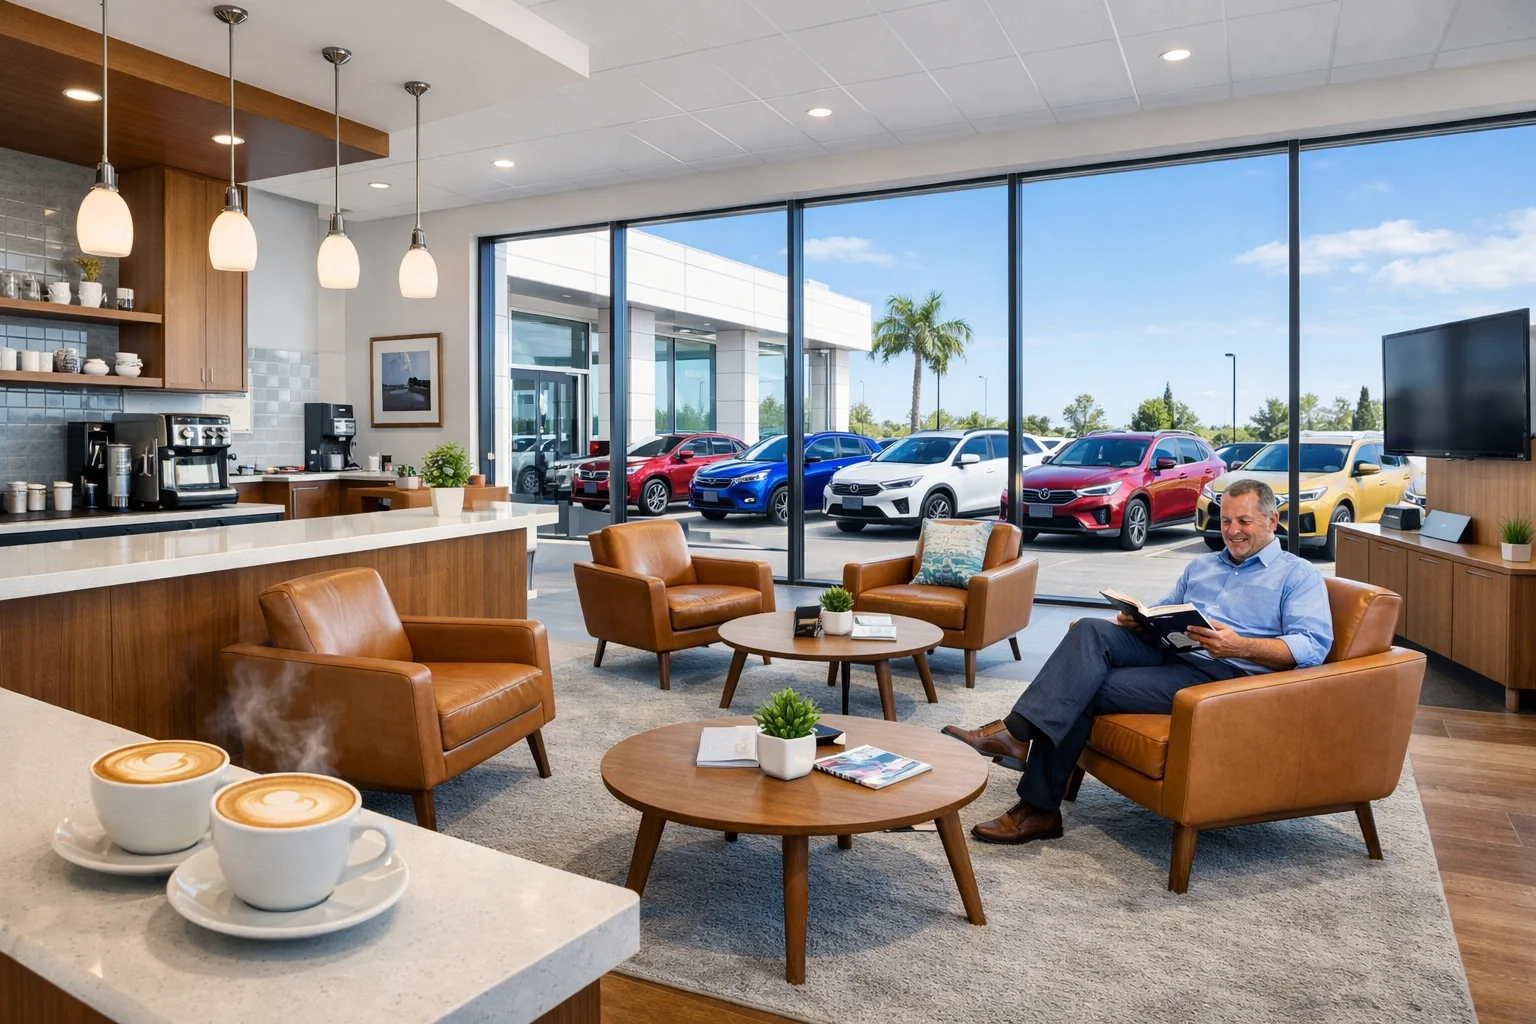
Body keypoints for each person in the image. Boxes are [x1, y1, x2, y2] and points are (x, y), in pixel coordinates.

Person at [943, 477, 1333, 844]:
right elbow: (1166, 608)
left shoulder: (1297, 576)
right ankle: (1016, 737)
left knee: (1083, 686)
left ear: (1272, 520)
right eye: (1226, 520)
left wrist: (1241, 646)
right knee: (1091, 629)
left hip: (1221, 675)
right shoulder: (1204, 565)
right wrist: (1137, 617)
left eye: (1244, 521)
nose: (1232, 531)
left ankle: (1036, 803)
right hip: (1172, 648)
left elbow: (1312, 646)